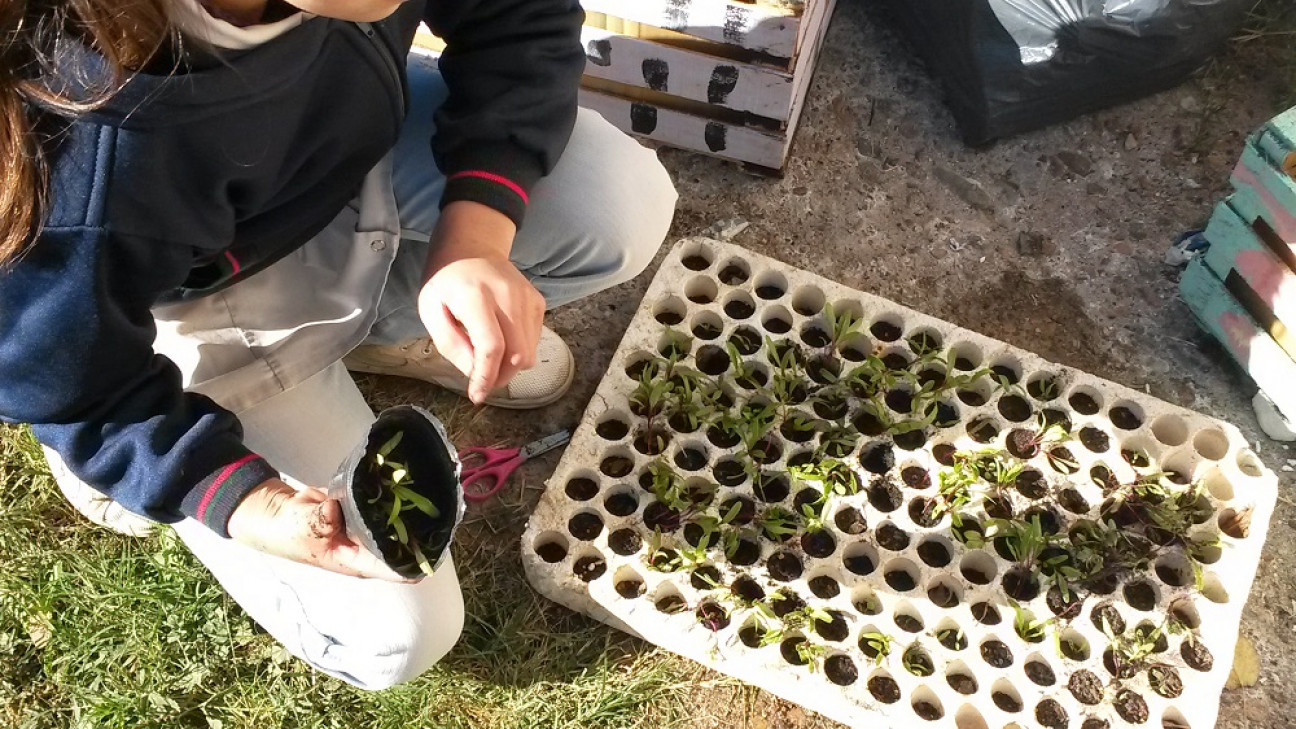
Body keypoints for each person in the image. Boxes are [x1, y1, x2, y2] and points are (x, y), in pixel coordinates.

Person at [0, 0, 676, 689]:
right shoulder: (84, 164)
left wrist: (474, 238)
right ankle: (116, 463)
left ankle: (363, 332)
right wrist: (243, 497)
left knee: (615, 205)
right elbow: (68, 390)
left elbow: (520, 17)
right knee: (402, 633)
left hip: (332, 152)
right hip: (186, 303)